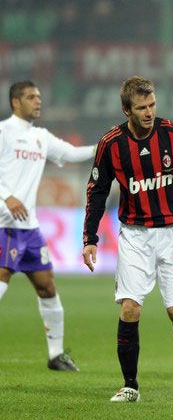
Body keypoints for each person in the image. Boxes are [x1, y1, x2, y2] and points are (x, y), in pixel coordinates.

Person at [82, 76, 173, 403]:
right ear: (127, 110)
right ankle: (131, 386)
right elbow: (97, 191)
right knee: (129, 308)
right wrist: (90, 237)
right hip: (135, 236)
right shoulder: (111, 143)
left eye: (152, 104)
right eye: (142, 108)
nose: (149, 112)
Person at [0, 80, 96, 371]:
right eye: (31, 97)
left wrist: (105, 145)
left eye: (39, 96)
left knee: (47, 286)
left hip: (29, 229)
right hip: (3, 225)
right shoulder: (3, 132)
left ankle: (56, 355)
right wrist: (6, 196)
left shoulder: (40, 137)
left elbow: (72, 153)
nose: (38, 101)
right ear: (16, 102)